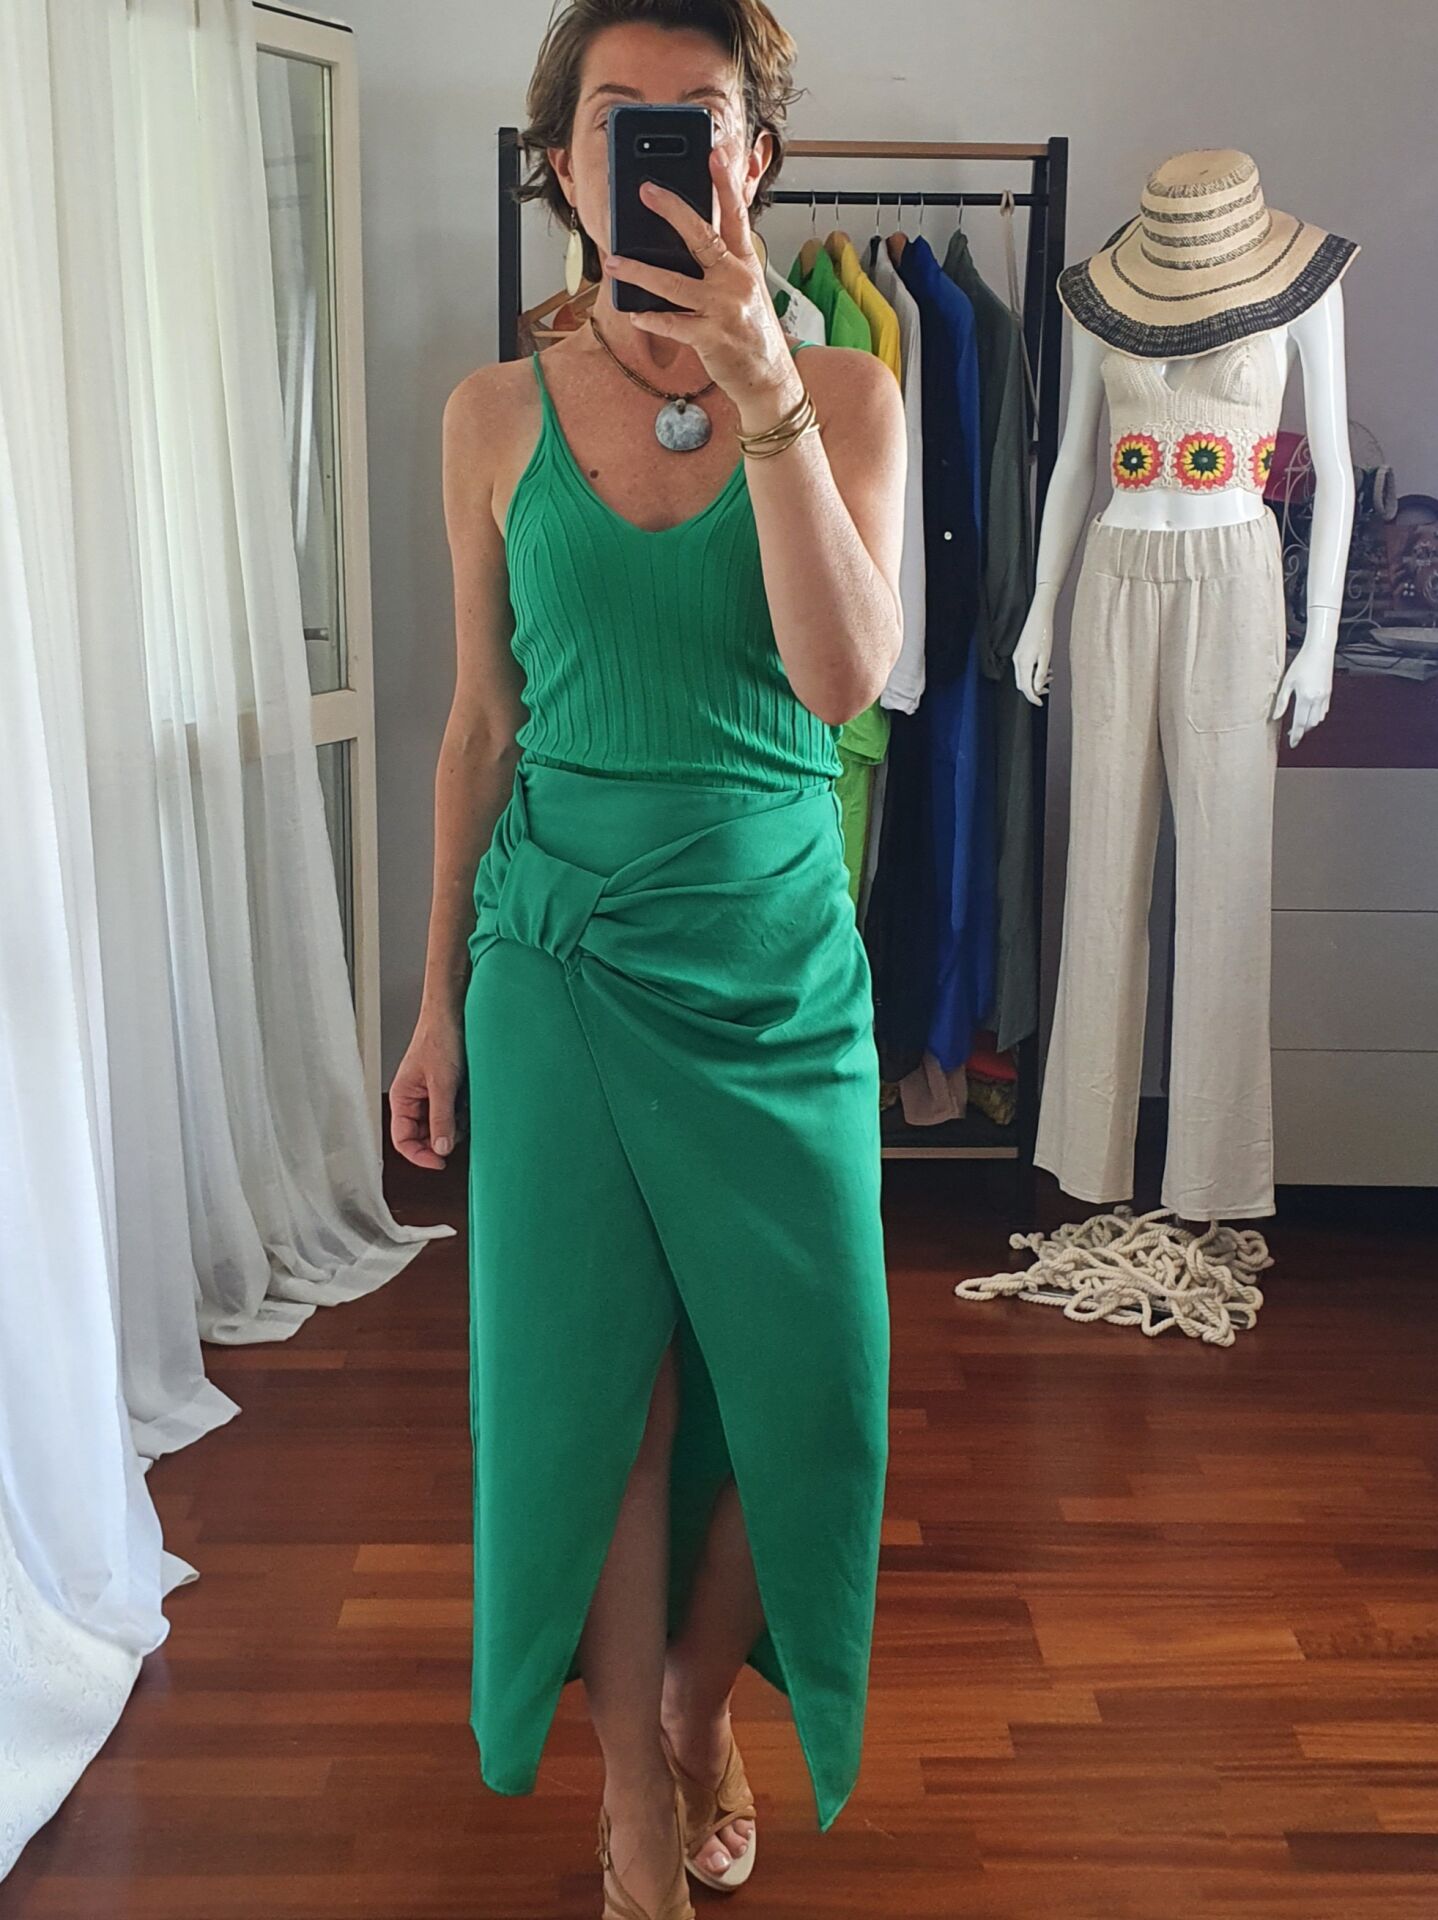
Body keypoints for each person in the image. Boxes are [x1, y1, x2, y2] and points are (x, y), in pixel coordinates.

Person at [389, 4, 905, 1915]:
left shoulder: (848, 393)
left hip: (774, 964)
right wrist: (433, 1004)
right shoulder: (490, 415)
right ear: (562, 161)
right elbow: (478, 726)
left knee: (812, 1392)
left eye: (701, 117)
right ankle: (628, 1789)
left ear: (752, 159)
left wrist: (765, 379)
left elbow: (844, 683)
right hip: (558, 964)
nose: (661, 147)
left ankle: (699, 1698)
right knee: (600, 1394)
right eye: (621, 116)